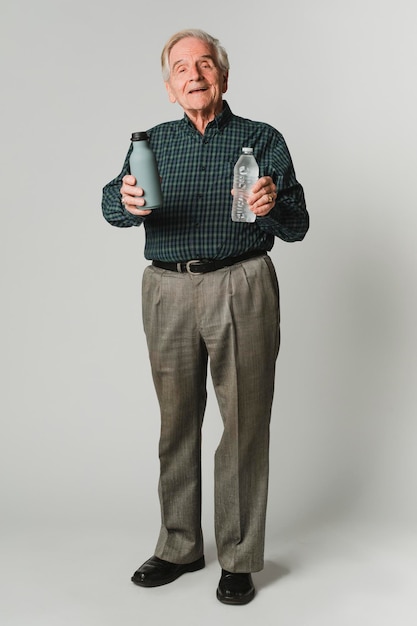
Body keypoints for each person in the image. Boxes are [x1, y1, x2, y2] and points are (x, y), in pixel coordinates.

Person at [102, 28, 309, 605]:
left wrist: (272, 206)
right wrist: (124, 199)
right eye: (181, 68)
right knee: (176, 422)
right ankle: (179, 545)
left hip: (241, 281)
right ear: (169, 87)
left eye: (205, 64)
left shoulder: (260, 138)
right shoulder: (153, 141)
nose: (194, 75)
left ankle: (239, 557)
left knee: (243, 422)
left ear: (223, 75)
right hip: (167, 286)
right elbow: (112, 205)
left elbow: (297, 223)